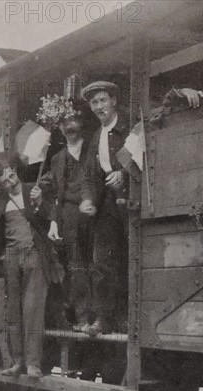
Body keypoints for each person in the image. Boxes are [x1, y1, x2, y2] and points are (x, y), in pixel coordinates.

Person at [0, 150, 56, 378]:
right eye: (4, 180)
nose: (10, 181)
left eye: (11, 175)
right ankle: (18, 361)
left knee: (32, 310)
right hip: (11, 257)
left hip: (34, 254)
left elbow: (53, 213)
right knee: (13, 310)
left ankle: (33, 364)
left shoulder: (33, 190)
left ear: (15, 171)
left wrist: (40, 202)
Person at [79, 81, 140, 337]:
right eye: (94, 103)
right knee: (102, 262)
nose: (99, 107)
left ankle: (130, 318)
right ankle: (104, 319)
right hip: (107, 206)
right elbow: (90, 176)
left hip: (132, 200)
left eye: (103, 100)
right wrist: (88, 199)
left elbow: (142, 156)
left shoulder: (131, 128)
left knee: (132, 257)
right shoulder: (96, 137)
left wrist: (123, 176)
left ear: (114, 101)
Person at [47, 115, 94, 332]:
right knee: (76, 266)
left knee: (98, 263)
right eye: (64, 123)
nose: (69, 126)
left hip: (94, 211)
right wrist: (55, 222)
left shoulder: (94, 146)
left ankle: (100, 315)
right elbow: (58, 194)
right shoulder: (57, 159)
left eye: (74, 120)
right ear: (59, 127)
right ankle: (81, 318)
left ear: (81, 123)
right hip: (68, 215)